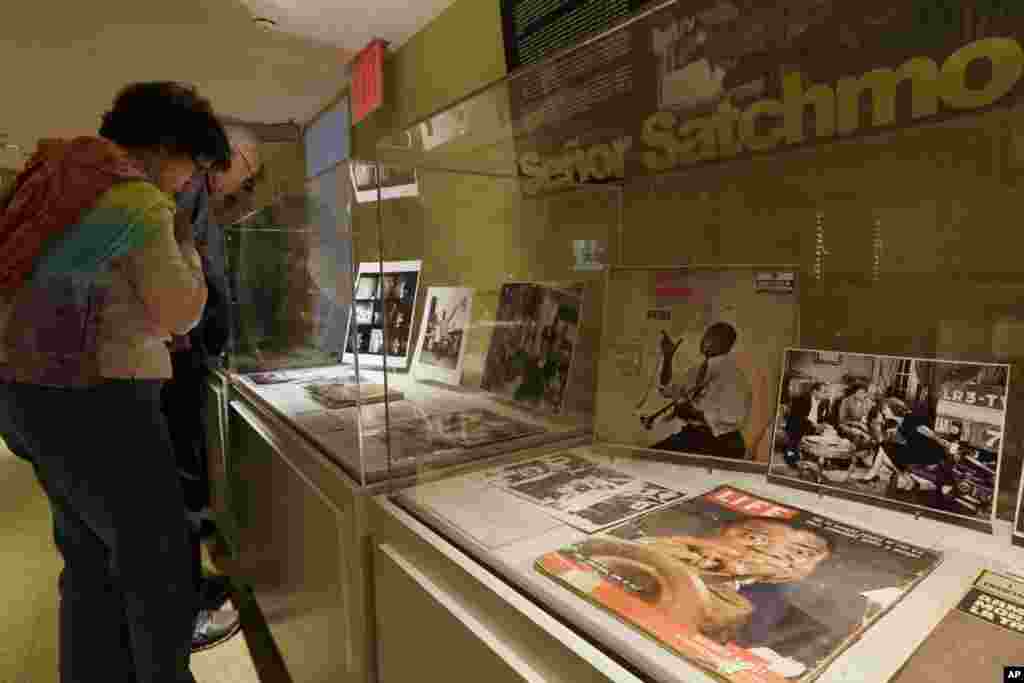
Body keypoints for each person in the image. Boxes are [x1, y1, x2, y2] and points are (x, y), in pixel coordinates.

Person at [0, 81, 231, 683]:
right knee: (160, 568)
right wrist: (190, 253)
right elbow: (177, 311)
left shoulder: (55, 177)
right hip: (98, 397)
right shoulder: (135, 201)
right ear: (165, 147)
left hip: (27, 393)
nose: (189, 182)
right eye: (193, 166)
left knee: (90, 559)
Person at [162, 123, 263, 652]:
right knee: (179, 483)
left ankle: (190, 594)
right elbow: (208, 276)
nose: (242, 188)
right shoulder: (190, 185)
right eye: (248, 175)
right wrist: (223, 341)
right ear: (234, 157)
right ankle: (189, 612)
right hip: (171, 359)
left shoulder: (171, 183)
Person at [577, 518, 833, 678]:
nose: (769, 551)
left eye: (801, 552)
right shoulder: (672, 548)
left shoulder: (803, 630)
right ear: (719, 531)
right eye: (754, 537)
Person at [652, 322, 753, 459]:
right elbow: (667, 389)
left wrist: (694, 413)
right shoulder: (695, 371)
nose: (705, 340)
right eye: (706, 335)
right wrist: (668, 358)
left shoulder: (734, 376)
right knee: (650, 456)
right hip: (694, 437)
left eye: (713, 337)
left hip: (721, 444)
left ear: (726, 344)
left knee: (658, 461)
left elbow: (735, 416)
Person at [855, 399, 959, 509]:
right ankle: (899, 478)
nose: (883, 412)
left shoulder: (909, 419)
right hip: (915, 452)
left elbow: (928, 433)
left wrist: (946, 444)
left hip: (925, 455)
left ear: (893, 409)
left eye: (885, 409)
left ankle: (876, 475)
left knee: (884, 448)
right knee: (885, 449)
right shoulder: (898, 423)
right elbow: (901, 441)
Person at [783, 382, 831, 466]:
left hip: (813, 428)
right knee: (792, 449)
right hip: (797, 426)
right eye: (823, 392)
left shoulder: (825, 402)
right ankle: (792, 460)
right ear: (814, 391)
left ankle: (815, 461)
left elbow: (824, 417)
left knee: (827, 439)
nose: (825, 394)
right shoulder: (800, 398)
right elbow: (797, 416)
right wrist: (814, 425)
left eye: (826, 392)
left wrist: (824, 424)